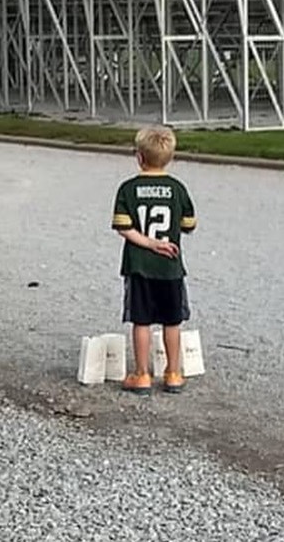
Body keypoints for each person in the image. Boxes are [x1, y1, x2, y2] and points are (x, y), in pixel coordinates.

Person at [112, 126, 197, 395]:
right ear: (170, 157)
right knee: (172, 321)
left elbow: (123, 226)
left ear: (139, 157)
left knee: (142, 321)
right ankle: (173, 372)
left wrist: (149, 243)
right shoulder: (177, 189)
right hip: (170, 266)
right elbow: (189, 224)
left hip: (139, 265)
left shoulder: (128, 189)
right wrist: (164, 241)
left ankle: (142, 374)